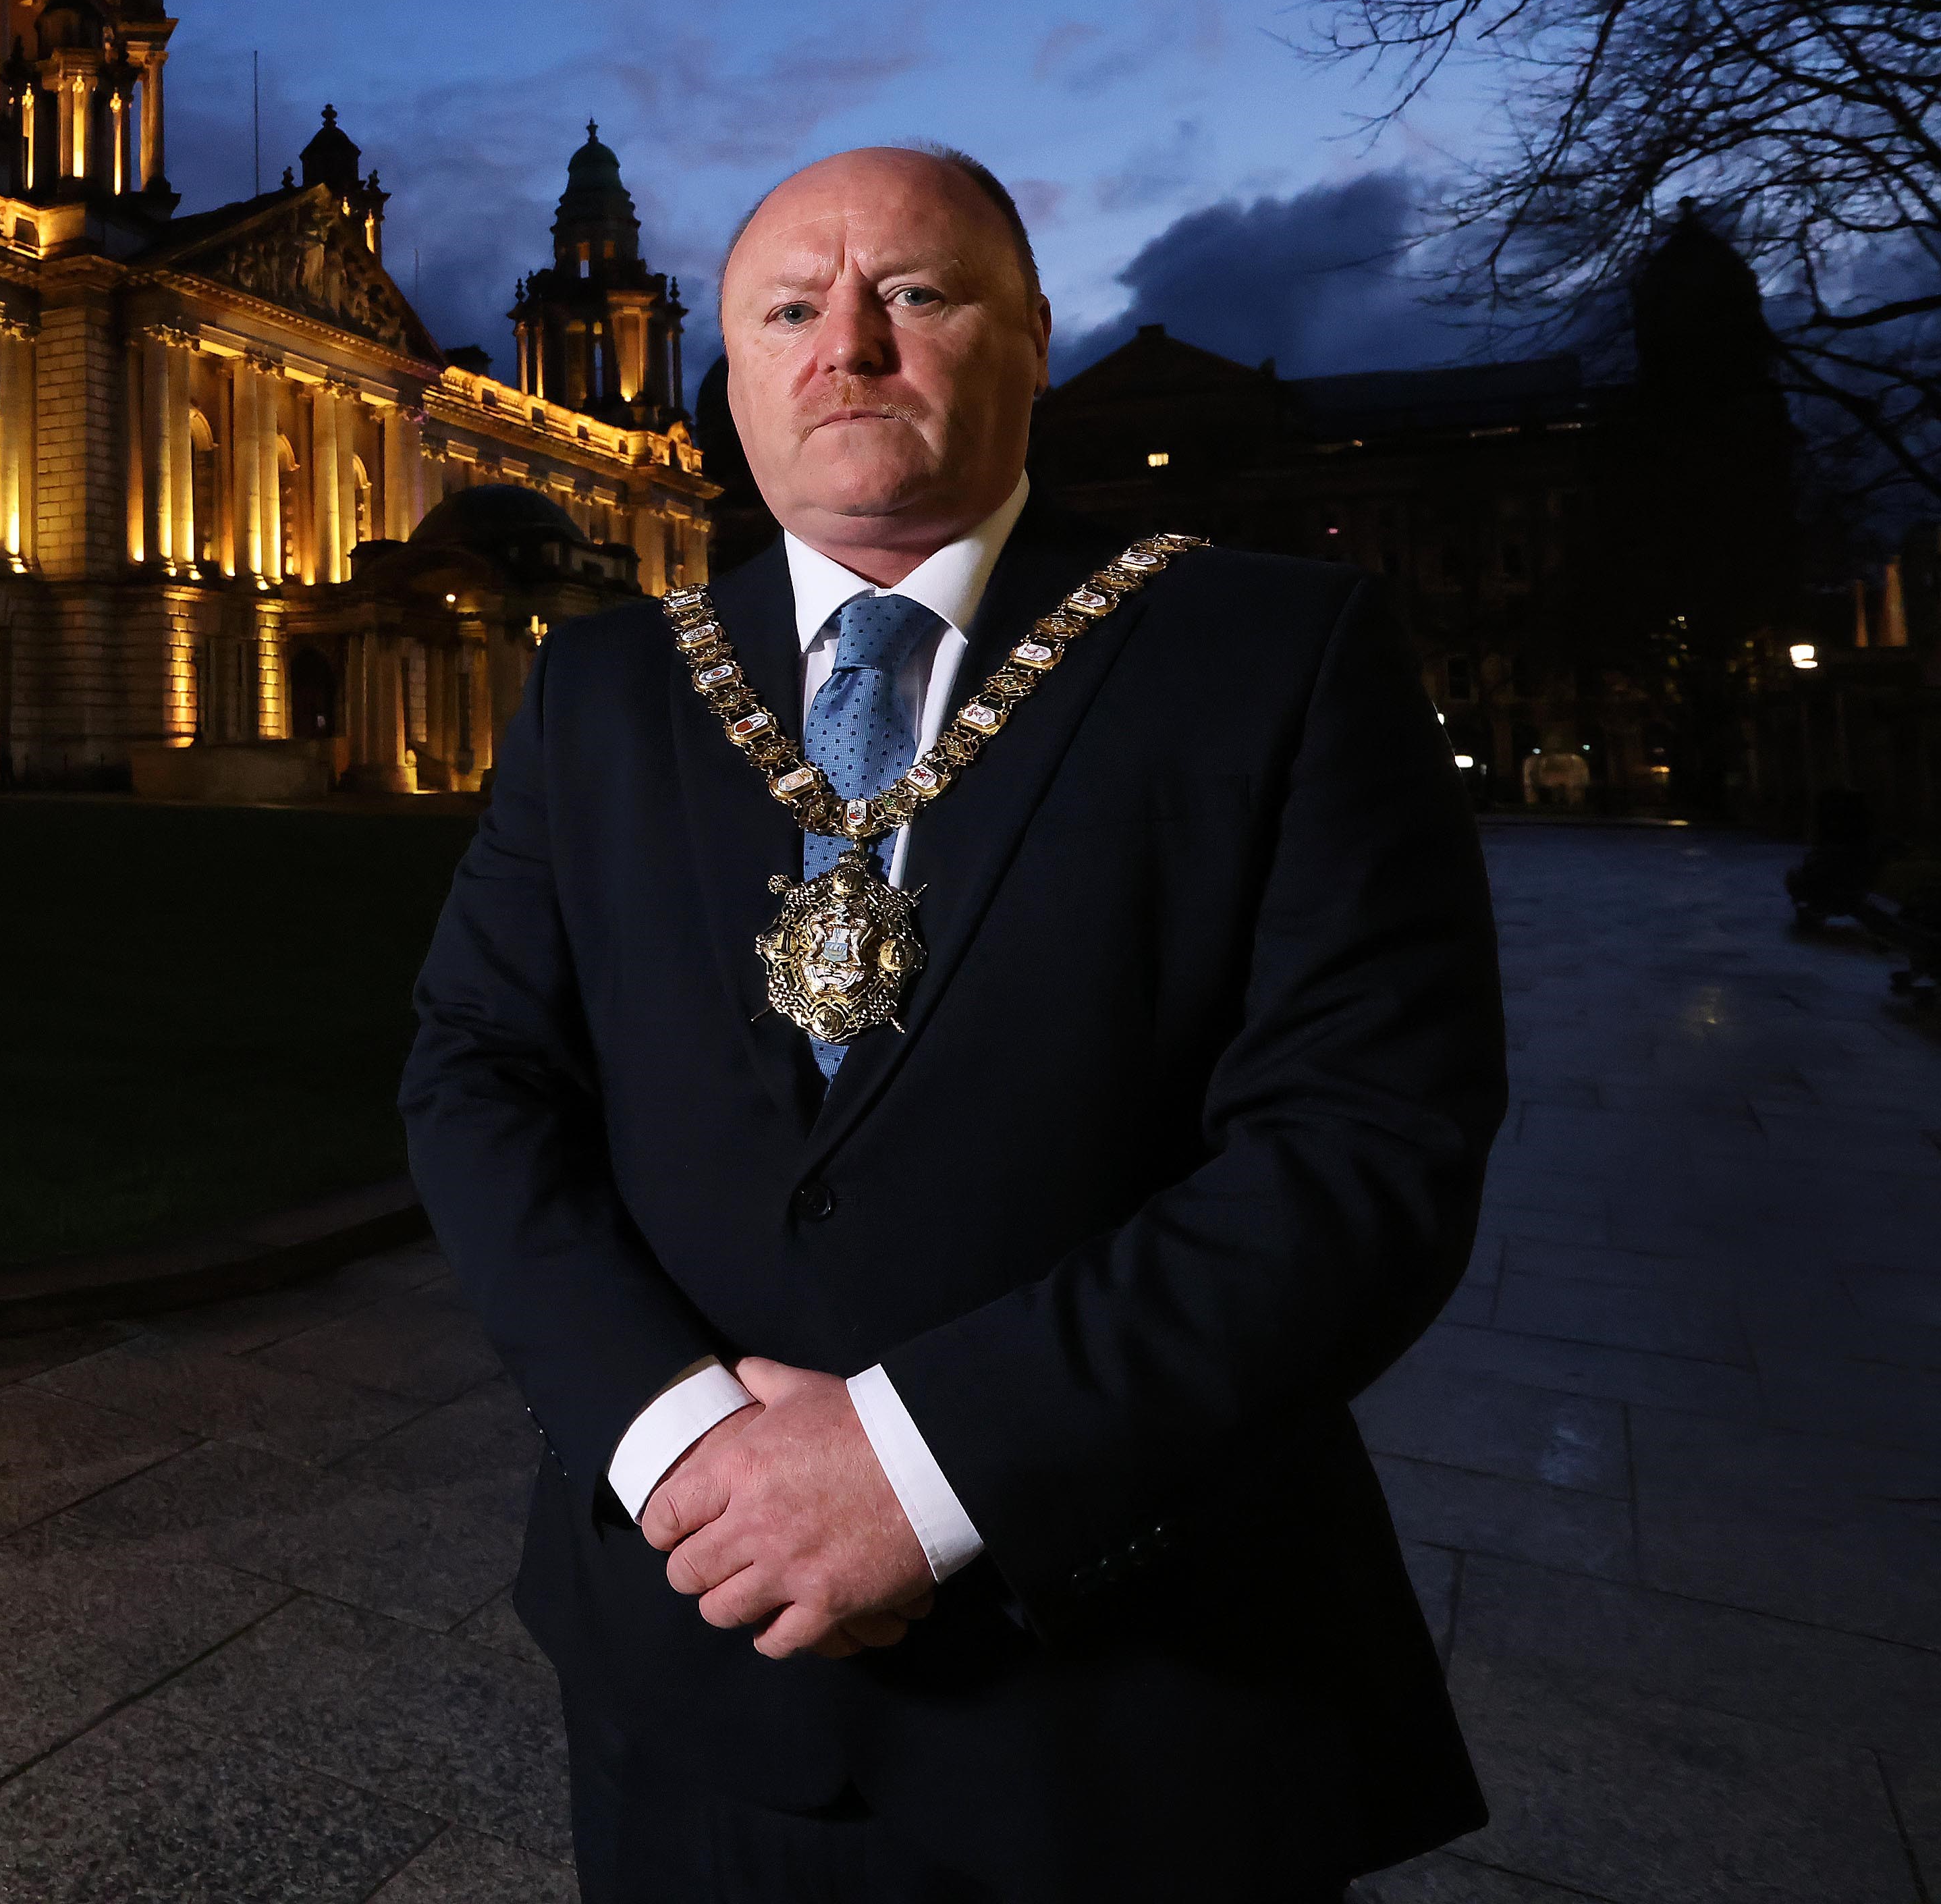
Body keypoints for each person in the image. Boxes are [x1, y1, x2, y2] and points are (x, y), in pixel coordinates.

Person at [400, 144, 1502, 1901]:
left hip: (1143, 1691)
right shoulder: (601, 683)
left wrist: (924, 1470)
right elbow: (478, 1076)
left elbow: (1365, 1153)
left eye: (914, 294)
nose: (849, 345)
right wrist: (676, 1439)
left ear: (1033, 340)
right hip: (694, 1653)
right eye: (788, 310)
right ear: (737, 376)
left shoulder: (1268, 651)